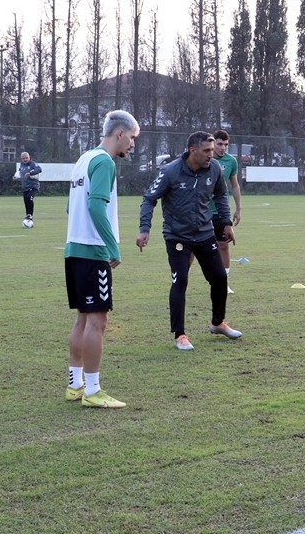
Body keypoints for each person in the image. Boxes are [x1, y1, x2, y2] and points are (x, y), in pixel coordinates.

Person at [136, 131, 242, 351]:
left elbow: (220, 195)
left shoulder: (214, 168)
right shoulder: (170, 171)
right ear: (193, 150)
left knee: (220, 278)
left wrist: (226, 223)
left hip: (204, 233)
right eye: (206, 150)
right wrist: (144, 229)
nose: (211, 154)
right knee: (180, 281)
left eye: (212, 150)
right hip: (178, 236)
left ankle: (217, 323)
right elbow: (149, 199)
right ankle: (180, 335)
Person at [64, 110, 140, 408]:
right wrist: (112, 247)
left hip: (74, 249)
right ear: (119, 133)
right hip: (93, 252)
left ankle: (75, 385)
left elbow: (70, 208)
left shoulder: (83, 159)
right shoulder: (105, 162)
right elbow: (96, 207)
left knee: (83, 318)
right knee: (98, 321)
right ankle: (93, 391)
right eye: (131, 138)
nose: (132, 144)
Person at [211, 129, 243, 293]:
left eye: (226, 145)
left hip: (220, 212)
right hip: (200, 211)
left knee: (223, 245)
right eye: (219, 144)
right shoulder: (204, 158)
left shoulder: (231, 161)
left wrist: (238, 209)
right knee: (193, 248)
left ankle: (224, 283)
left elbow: (235, 186)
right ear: (213, 143)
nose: (223, 148)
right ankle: (181, 282)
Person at [14, 151, 43, 226]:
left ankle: (30, 215)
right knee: (26, 201)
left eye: (26, 158)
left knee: (29, 198)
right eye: (23, 158)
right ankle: (28, 216)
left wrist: (31, 173)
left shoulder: (33, 164)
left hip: (34, 186)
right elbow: (20, 173)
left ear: (29, 157)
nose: (25, 159)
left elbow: (39, 169)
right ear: (21, 159)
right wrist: (16, 178)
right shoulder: (22, 165)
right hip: (25, 187)